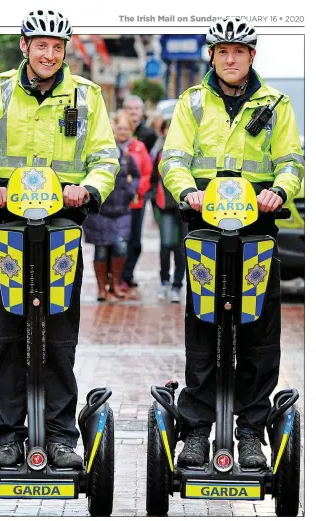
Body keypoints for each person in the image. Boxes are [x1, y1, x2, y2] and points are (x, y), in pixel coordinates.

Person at [0, 9, 119, 469]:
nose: (49, 54)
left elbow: (106, 157)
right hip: (5, 225)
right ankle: (7, 433)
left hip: (61, 229)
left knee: (59, 335)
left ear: (64, 51)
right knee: (5, 334)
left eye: (57, 47)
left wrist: (87, 188)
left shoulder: (85, 96)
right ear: (24, 46)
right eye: (40, 45)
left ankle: (63, 433)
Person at [159, 17, 304, 468]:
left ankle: (249, 431)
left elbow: (291, 160)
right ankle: (198, 430)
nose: (230, 58)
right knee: (204, 331)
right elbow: (175, 158)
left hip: (258, 230)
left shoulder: (276, 104)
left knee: (258, 335)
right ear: (211, 55)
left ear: (252, 56)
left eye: (239, 51)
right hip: (204, 229)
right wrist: (187, 192)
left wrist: (278, 191)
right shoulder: (193, 102)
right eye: (222, 50)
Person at [83, 110, 140, 300]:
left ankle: (114, 284)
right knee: (101, 249)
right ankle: (101, 288)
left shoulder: (124, 153)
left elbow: (137, 174)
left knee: (121, 248)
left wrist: (130, 191)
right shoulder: (95, 149)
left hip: (121, 210)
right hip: (100, 210)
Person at [116, 110, 153, 291]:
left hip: (136, 202)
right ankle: (116, 277)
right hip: (115, 203)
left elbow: (147, 172)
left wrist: (136, 189)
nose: (123, 132)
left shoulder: (139, 147)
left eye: (126, 128)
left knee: (134, 241)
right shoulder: (110, 147)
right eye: (119, 128)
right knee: (116, 241)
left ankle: (128, 274)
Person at [153, 119, 187, 303]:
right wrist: (154, 201)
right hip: (165, 206)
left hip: (185, 206)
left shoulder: (189, 152)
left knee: (182, 248)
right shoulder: (159, 153)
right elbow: (152, 178)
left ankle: (177, 285)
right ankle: (164, 281)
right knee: (166, 245)